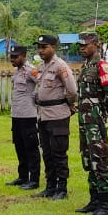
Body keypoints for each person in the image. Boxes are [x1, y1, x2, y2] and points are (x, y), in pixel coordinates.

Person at [74, 31, 108, 215]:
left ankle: (104, 204)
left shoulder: (101, 65)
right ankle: (94, 200)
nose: (82, 48)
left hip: (95, 121)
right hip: (84, 121)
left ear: (96, 45)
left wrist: (103, 111)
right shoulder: (86, 66)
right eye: (81, 45)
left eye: (86, 45)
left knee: (99, 159)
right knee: (88, 158)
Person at [32, 33, 77, 200]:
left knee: (59, 153)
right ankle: (50, 186)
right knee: (47, 152)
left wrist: (68, 104)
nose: (41, 50)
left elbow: (72, 90)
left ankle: (62, 188)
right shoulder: (41, 66)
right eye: (39, 47)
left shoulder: (60, 66)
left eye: (44, 47)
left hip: (58, 114)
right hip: (43, 115)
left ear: (53, 47)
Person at [7, 44, 42, 190]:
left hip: (28, 115)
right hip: (16, 114)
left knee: (31, 148)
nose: (12, 59)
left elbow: (43, 84)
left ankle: (34, 179)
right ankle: (23, 177)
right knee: (19, 146)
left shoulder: (31, 70)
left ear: (24, 56)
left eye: (15, 57)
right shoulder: (17, 71)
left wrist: (36, 97)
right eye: (11, 57)